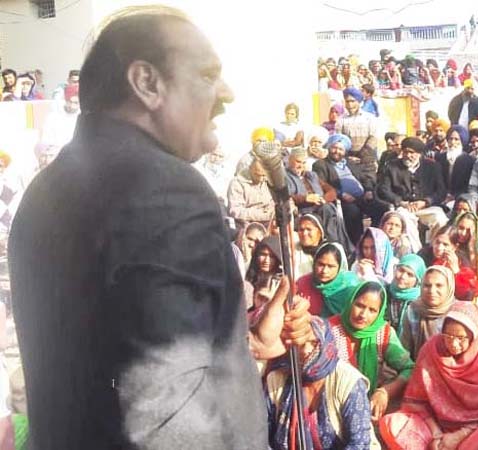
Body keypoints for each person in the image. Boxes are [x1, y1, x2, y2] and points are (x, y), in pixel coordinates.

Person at [8, 7, 315, 448]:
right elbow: (168, 422)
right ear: (147, 83)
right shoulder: (165, 191)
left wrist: (245, 344)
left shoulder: (49, 188)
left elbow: (123, 363)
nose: (226, 93)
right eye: (208, 75)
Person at [380, 302, 478, 450]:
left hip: (475, 432)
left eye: (461, 338)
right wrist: (436, 434)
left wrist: (458, 436)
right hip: (435, 429)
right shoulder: (432, 350)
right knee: (393, 423)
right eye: (448, 335)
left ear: (474, 336)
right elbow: (418, 402)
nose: (454, 344)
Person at [264, 317, 381, 450]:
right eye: (299, 344)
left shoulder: (348, 381)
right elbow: (261, 434)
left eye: (314, 343)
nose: (306, 351)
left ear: (326, 342)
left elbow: (359, 443)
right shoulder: (278, 377)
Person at [327, 282, 415, 422]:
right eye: (359, 305)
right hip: (332, 406)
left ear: (380, 312)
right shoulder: (329, 330)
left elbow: (410, 368)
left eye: (372, 310)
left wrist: (385, 392)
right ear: (350, 301)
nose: (363, 314)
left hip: (368, 408)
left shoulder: (383, 333)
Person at [314, 133, 388, 244]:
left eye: (340, 149)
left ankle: (374, 239)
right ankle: (356, 244)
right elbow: (321, 184)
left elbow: (364, 178)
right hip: (342, 200)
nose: (337, 151)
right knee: (353, 212)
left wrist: (368, 190)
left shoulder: (350, 163)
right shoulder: (321, 165)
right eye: (334, 148)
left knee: (382, 208)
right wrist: (341, 194)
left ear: (345, 151)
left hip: (362, 198)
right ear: (329, 148)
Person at [377, 136, 449, 233]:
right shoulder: (392, 167)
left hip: (427, 207)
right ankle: (415, 249)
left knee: (440, 220)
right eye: (405, 152)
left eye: (412, 152)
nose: (408, 155)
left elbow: (441, 191)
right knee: (406, 223)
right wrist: (401, 202)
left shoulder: (433, 166)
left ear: (419, 154)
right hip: (403, 208)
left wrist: (426, 202)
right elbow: (384, 189)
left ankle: (436, 247)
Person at [400, 265, 458, 359]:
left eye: (439, 285)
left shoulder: (459, 313)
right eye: (427, 285)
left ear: (449, 287)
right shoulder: (413, 311)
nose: (432, 291)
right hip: (419, 368)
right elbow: (404, 348)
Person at [297, 242, 360, 317]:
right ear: (314, 263)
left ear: (339, 267)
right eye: (321, 264)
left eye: (330, 266)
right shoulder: (303, 283)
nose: (324, 271)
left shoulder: (350, 285)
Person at [336, 87, 379, 174]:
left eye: (353, 101)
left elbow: (373, 138)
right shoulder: (341, 120)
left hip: (367, 160)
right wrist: (348, 157)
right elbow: (340, 139)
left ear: (359, 102)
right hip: (348, 160)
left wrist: (362, 156)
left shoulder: (369, 118)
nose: (350, 105)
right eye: (347, 101)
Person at [386, 254, 427, 333]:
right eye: (401, 270)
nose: (403, 276)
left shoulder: (421, 302)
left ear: (418, 280)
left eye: (410, 274)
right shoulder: (383, 292)